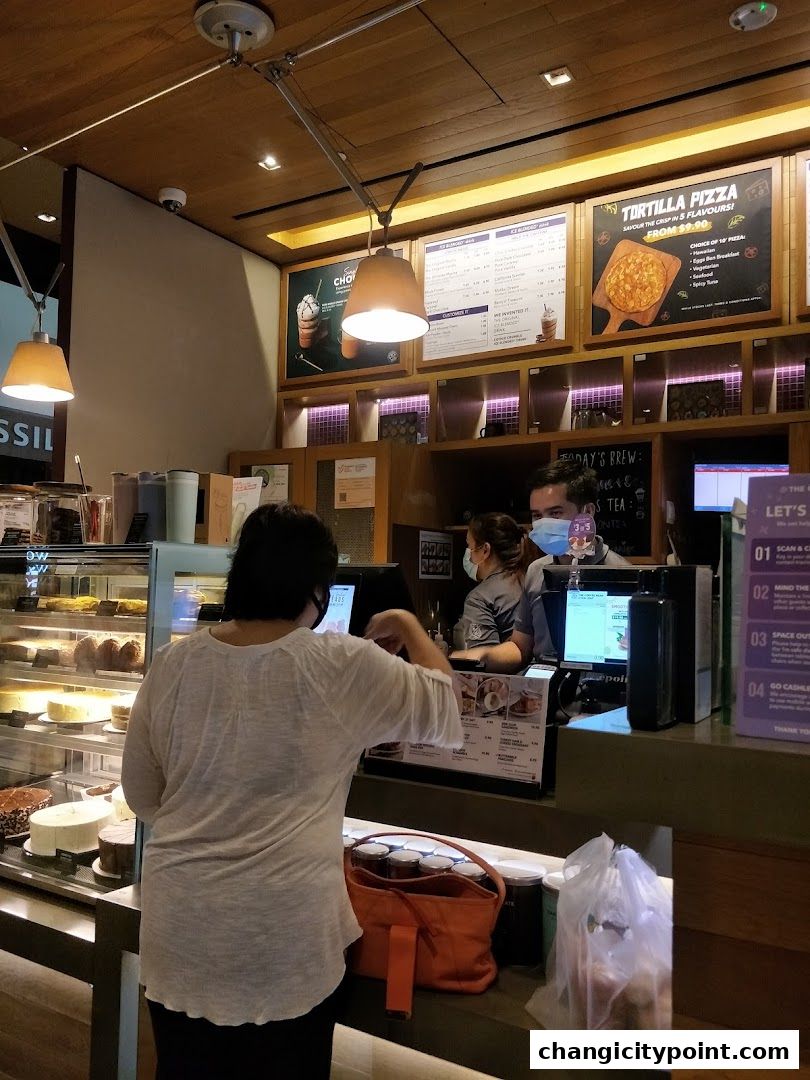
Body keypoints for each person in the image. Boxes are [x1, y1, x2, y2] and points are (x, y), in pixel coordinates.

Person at [121, 503, 462, 1079]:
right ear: (317, 589)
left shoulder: (172, 665)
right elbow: (445, 703)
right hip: (281, 938)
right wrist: (404, 623)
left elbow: (143, 795)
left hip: (180, 926)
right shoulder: (340, 662)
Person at [460, 459, 630, 672]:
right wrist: (477, 656)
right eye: (537, 516)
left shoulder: (622, 573)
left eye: (555, 513)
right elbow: (520, 647)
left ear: (587, 512)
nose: (543, 523)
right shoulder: (536, 571)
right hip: (543, 694)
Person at [459, 512, 535, 649]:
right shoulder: (533, 580)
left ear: (485, 550)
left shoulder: (480, 598)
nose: (468, 555)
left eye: (470, 547)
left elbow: (483, 660)